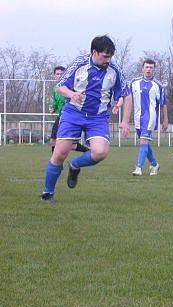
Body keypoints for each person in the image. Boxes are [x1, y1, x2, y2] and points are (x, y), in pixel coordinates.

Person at [40, 35, 131, 204]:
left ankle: (75, 165)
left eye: (110, 56)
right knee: (59, 153)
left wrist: (125, 120)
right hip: (73, 113)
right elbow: (59, 86)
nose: (108, 60)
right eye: (105, 56)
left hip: (98, 117)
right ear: (94, 52)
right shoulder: (79, 64)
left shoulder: (115, 71)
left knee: (100, 152)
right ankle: (48, 193)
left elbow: (127, 94)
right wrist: (72, 94)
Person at [130, 59, 168, 176]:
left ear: (154, 70)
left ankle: (139, 168)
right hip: (137, 118)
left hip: (150, 118)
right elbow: (127, 98)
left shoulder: (158, 85)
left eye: (151, 68)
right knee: (145, 144)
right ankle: (155, 164)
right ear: (142, 68)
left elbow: (163, 103)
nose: (148, 70)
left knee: (143, 141)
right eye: (146, 67)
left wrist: (165, 119)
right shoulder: (134, 83)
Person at [49, 66, 89, 153]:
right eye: (57, 74)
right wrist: (53, 107)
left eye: (61, 74)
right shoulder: (56, 88)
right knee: (53, 141)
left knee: (71, 145)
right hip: (60, 116)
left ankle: (88, 151)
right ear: (54, 75)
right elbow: (56, 101)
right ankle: (55, 164)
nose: (59, 76)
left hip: (69, 116)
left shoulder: (70, 87)